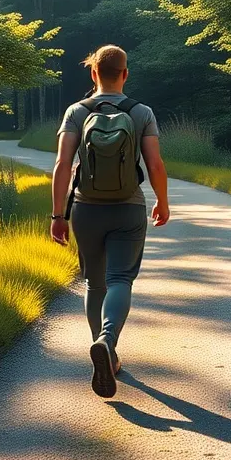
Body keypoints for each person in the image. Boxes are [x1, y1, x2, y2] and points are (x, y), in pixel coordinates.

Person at [50, 45, 169, 398]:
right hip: (128, 209)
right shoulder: (141, 112)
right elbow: (156, 165)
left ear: (93, 74)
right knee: (120, 279)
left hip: (86, 209)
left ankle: (105, 354)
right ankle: (108, 340)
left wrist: (59, 215)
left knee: (94, 283)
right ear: (125, 74)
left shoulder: (76, 111)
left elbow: (62, 166)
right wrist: (162, 201)